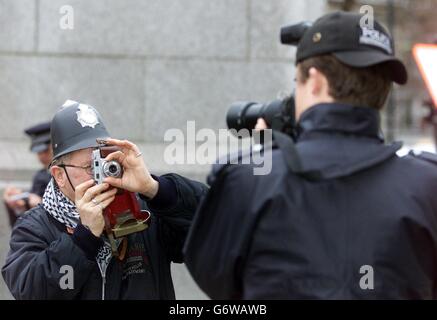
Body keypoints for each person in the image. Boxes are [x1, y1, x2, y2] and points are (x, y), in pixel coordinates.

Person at [183, 11, 437, 299]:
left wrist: (269, 155)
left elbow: (215, 277)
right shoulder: (427, 182)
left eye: (297, 82)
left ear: (314, 81)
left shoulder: (248, 177)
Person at [2, 100, 207, 299]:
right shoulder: (34, 226)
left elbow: (211, 228)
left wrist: (155, 189)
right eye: (91, 166)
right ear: (60, 175)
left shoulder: (143, 211)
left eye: (105, 160)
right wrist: (84, 237)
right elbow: (33, 291)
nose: (102, 174)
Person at [3, 122, 52, 227]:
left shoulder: (69, 175)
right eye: (38, 152)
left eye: (45, 150)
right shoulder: (40, 176)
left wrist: (43, 205)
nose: (41, 156)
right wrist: (19, 205)